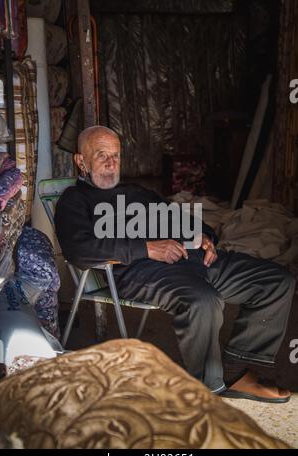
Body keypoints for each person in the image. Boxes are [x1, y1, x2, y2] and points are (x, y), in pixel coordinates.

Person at [55, 126, 296, 403]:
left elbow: (179, 218)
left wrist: (204, 237)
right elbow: (78, 249)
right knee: (204, 300)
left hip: (190, 259)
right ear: (81, 161)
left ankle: (237, 373)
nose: (111, 163)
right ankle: (210, 390)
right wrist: (147, 248)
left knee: (276, 282)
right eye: (101, 155)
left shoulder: (136, 193)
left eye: (116, 155)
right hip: (140, 271)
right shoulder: (74, 201)